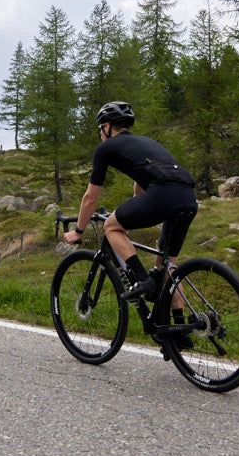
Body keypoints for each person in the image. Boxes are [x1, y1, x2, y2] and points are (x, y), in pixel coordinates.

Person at [63, 101, 199, 310]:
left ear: (107, 127)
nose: (100, 133)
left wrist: (78, 231)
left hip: (164, 194)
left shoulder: (105, 148)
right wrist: (135, 207)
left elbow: (90, 198)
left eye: (101, 128)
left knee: (111, 226)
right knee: (167, 268)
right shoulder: (145, 143)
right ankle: (179, 333)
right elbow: (141, 184)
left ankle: (142, 280)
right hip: (189, 198)